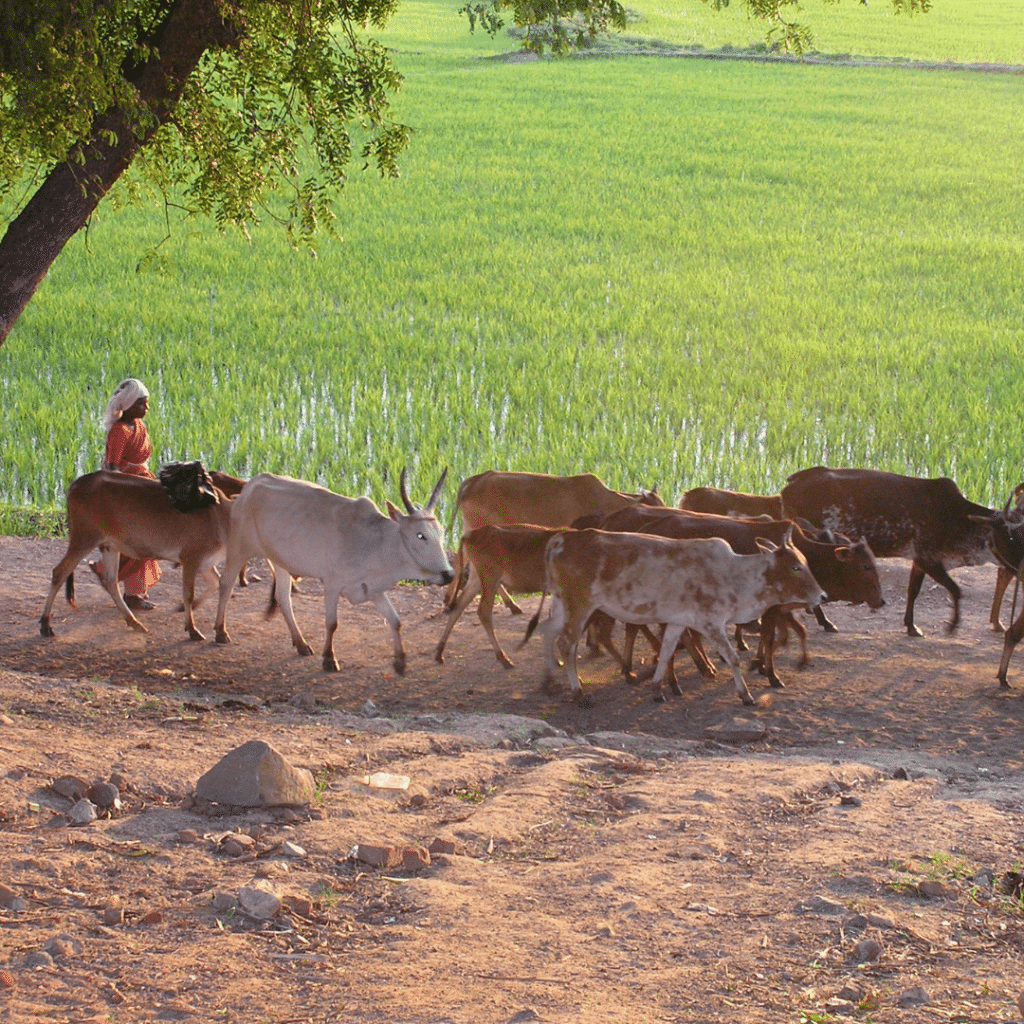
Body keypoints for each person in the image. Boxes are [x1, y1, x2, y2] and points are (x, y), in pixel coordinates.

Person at [96, 378, 162, 611]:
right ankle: (118, 581)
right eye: (142, 404)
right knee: (139, 539)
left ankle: (136, 592)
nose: (146, 409)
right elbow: (113, 467)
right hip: (129, 491)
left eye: (146, 404)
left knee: (149, 538)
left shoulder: (139, 427)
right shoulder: (120, 431)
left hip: (143, 485)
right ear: (128, 405)